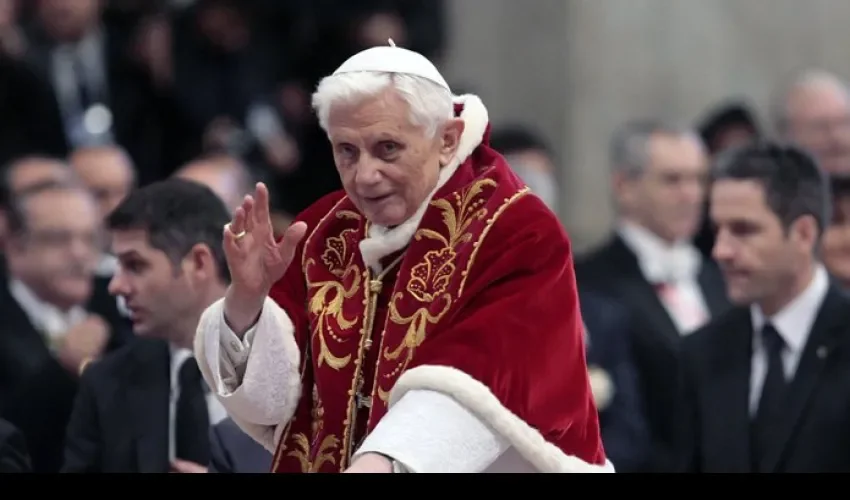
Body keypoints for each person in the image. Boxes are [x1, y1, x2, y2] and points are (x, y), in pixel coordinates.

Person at [194, 42, 611, 473]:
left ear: (446, 140)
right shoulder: (323, 230)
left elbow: (477, 383)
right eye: (347, 151)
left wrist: (382, 462)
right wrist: (247, 299)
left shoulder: (514, 228)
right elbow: (274, 402)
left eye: (387, 148)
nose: (364, 175)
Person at [673, 142, 850, 472]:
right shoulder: (701, 353)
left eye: (743, 230)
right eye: (717, 231)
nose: (721, 251)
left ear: (803, 233)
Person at [63, 179, 232, 473]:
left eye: (135, 266)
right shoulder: (106, 384)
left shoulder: (299, 367)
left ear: (199, 263)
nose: (116, 286)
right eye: (117, 266)